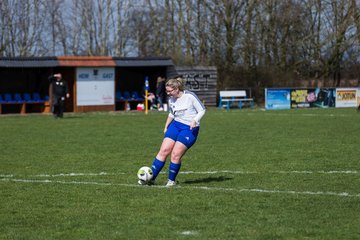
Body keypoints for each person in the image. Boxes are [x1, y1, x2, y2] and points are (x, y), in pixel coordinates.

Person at [139, 77, 206, 187]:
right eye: (167, 91)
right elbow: (171, 113)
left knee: (175, 155)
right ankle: (151, 179)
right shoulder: (171, 99)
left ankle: (171, 181)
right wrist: (166, 126)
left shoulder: (190, 96)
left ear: (177, 89)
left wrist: (195, 120)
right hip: (175, 125)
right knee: (164, 151)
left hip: (189, 129)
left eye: (170, 91)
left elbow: (202, 110)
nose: (168, 93)